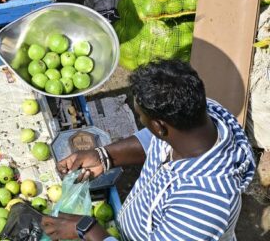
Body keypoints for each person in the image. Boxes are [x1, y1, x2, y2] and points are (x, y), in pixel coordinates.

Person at [41, 60, 255, 241]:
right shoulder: (195, 115)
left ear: (160, 127)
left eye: (142, 119)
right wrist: (104, 156)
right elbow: (151, 140)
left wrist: (88, 229)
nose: (144, 127)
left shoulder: (204, 206)